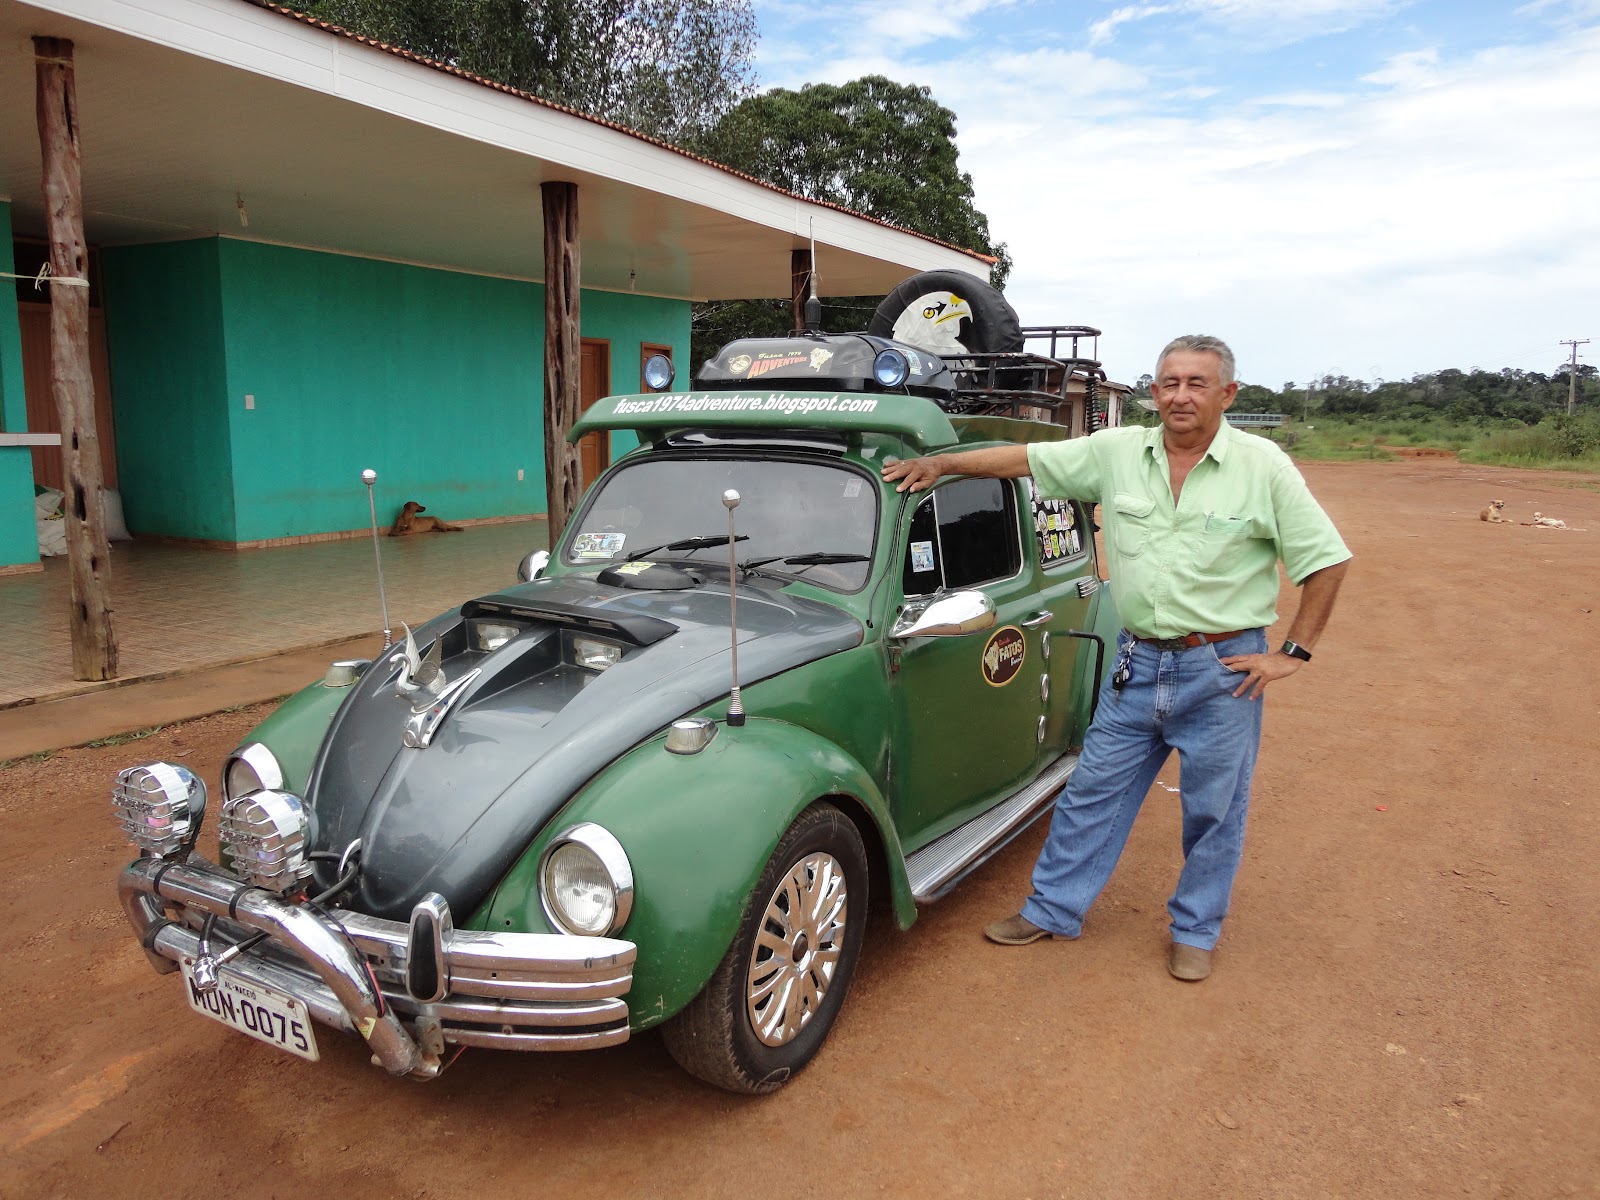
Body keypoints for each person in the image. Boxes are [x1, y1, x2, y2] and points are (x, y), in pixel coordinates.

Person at [881, 335, 1351, 982]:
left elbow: (1326, 560)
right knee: (1092, 792)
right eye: (1168, 383)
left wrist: (1292, 653)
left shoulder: (1262, 466)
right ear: (1154, 391)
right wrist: (943, 467)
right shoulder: (1118, 451)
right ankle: (1052, 909)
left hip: (1221, 671)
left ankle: (1195, 930)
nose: (1180, 395)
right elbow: (1021, 459)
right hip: (1136, 666)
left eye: (1196, 383)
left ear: (1227, 394)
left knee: (1215, 810)